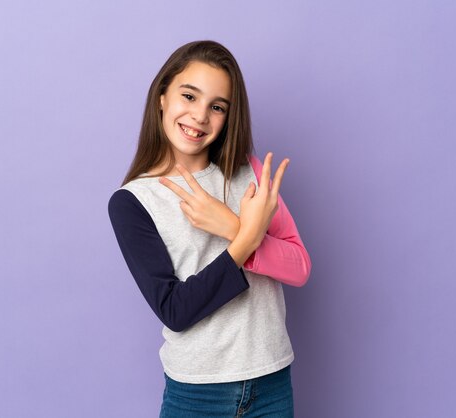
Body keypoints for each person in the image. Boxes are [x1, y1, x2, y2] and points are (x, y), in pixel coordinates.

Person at [108, 40, 311, 417]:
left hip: (272, 380)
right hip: (197, 395)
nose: (200, 115)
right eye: (189, 96)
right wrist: (245, 239)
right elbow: (175, 310)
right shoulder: (133, 202)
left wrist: (231, 226)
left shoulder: (248, 172)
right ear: (162, 98)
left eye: (217, 106)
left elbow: (299, 267)